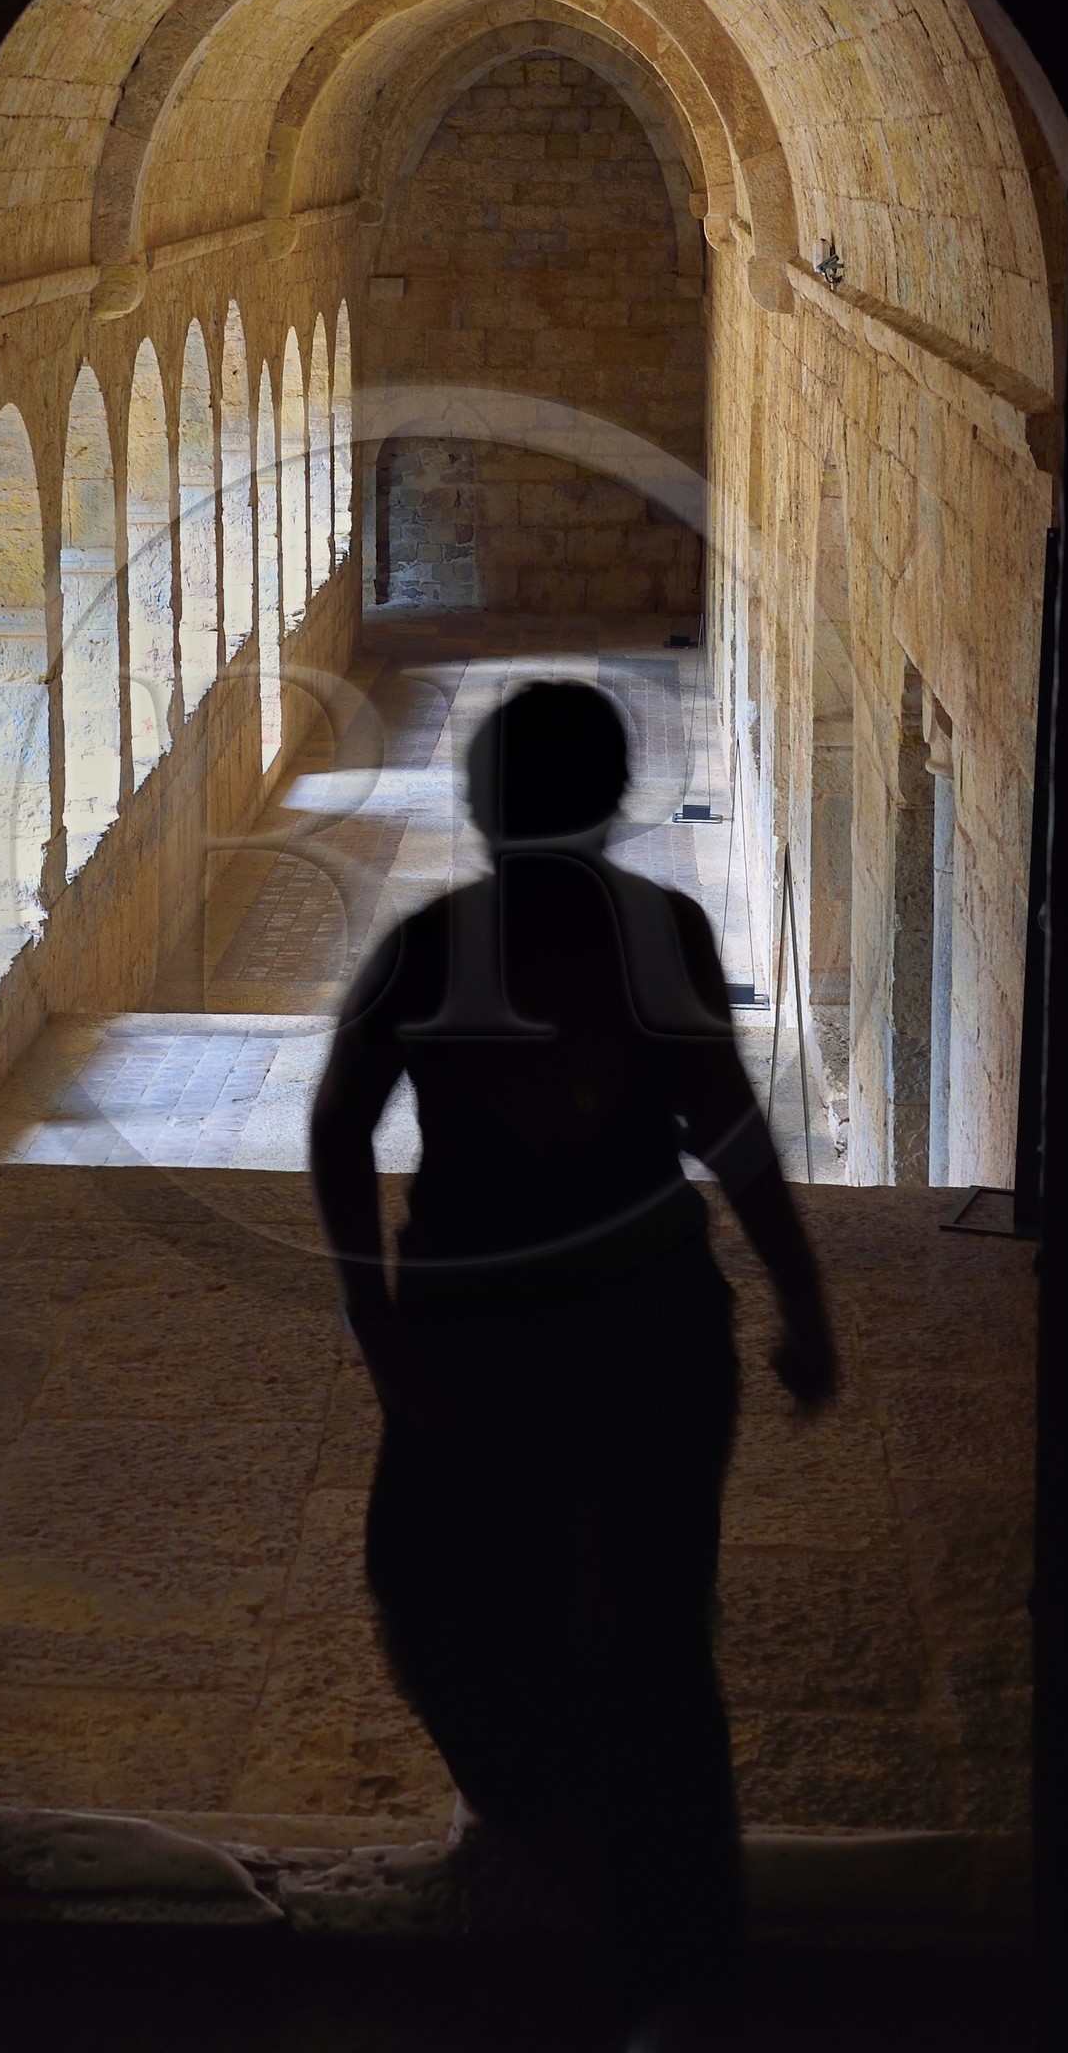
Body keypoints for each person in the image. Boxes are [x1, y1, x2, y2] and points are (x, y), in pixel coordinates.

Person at [310, 680, 836, 2049]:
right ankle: (674, 1964)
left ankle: (560, 1838)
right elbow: (728, 1131)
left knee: (444, 1586)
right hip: (649, 1325)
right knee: (651, 1633)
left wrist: (379, 1328)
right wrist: (800, 1299)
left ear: (482, 804)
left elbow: (335, 1132)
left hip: (487, 1337)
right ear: (611, 802)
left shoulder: (429, 948)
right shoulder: (660, 933)